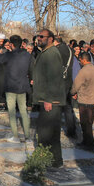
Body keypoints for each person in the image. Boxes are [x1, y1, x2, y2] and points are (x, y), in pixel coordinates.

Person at [30, 29, 65, 168]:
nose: (38, 39)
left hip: (51, 101)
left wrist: (49, 99)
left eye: (41, 37)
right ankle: (54, 160)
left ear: (50, 38)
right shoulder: (46, 52)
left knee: (46, 133)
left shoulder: (51, 53)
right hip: (46, 99)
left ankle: (47, 160)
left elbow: (54, 78)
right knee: (49, 132)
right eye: (38, 36)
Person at [0, 34, 32, 142]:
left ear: (12, 44)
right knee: (24, 112)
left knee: (12, 112)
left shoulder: (8, 55)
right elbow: (32, 68)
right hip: (22, 86)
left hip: (10, 86)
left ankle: (15, 136)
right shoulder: (27, 55)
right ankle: (27, 136)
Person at [70, 52, 94, 151]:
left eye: (80, 60)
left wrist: (72, 92)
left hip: (85, 100)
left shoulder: (83, 71)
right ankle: (86, 141)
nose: (80, 62)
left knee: (85, 123)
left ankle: (90, 144)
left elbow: (76, 85)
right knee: (89, 122)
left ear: (83, 60)